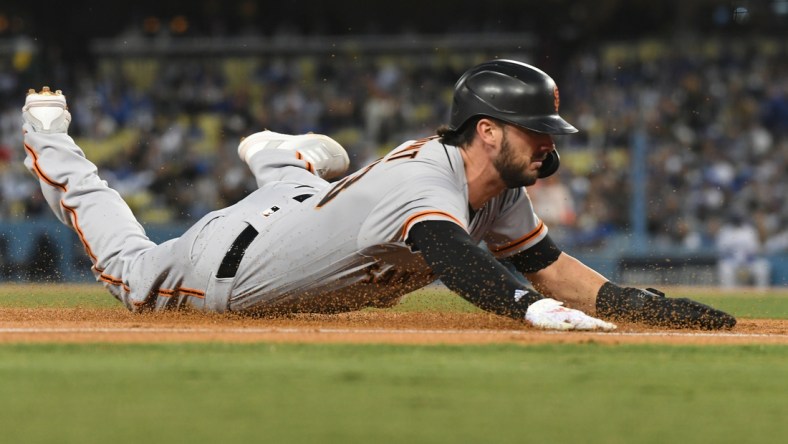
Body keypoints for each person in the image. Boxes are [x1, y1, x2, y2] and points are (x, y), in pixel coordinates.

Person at [21, 61, 736, 331]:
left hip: (298, 214)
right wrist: (527, 308)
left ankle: (285, 158)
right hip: (218, 271)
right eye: (537, 131)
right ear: (487, 131)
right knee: (129, 268)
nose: (551, 144)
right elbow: (452, 257)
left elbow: (550, 266)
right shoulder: (427, 181)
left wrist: (636, 305)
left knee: (310, 196)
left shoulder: (498, 188)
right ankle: (47, 134)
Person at [716, 212, 771, 289]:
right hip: (732, 262)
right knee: (725, 268)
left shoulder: (749, 230)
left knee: (762, 268)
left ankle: (761, 295)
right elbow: (721, 249)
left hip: (749, 262)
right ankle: (728, 295)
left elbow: (755, 249)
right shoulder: (725, 231)